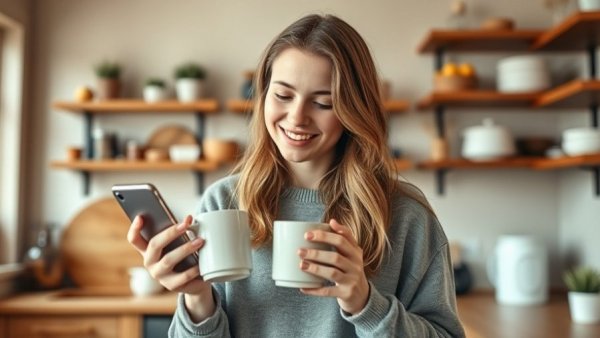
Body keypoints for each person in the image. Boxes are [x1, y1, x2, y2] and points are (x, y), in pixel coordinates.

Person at [127, 14, 465, 337]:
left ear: (353, 109)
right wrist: (197, 297)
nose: (297, 117)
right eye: (283, 95)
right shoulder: (223, 202)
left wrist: (365, 304)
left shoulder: (406, 216)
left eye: (323, 102)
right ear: (262, 97)